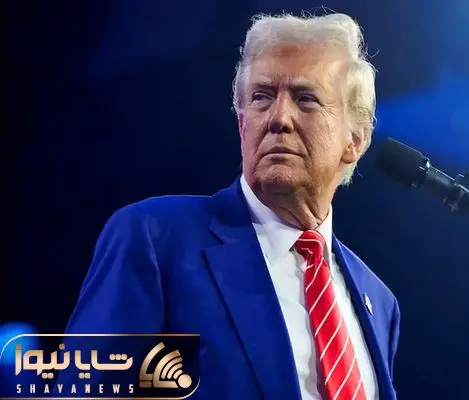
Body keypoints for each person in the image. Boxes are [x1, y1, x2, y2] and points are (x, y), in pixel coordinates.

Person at [63, 12, 400, 400]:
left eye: (305, 99)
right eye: (261, 97)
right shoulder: (156, 238)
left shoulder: (379, 302)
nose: (278, 118)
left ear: (355, 140)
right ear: (242, 125)